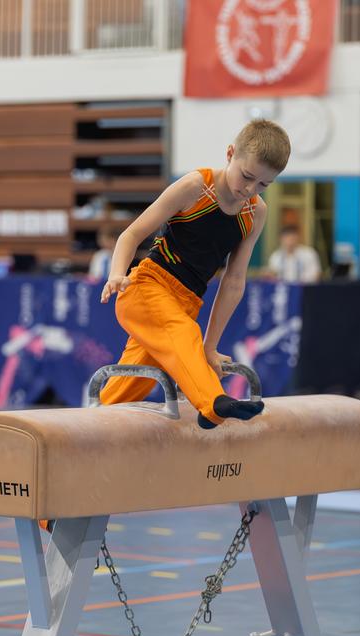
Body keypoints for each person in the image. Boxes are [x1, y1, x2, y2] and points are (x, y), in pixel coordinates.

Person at [99, 119, 291, 429]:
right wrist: (116, 274)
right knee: (184, 334)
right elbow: (131, 234)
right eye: (247, 177)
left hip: (186, 304)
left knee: (131, 385)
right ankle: (213, 405)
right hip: (146, 287)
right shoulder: (195, 186)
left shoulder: (255, 212)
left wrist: (210, 347)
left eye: (263, 185)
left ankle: (93, 424)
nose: (250, 190)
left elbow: (233, 281)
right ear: (230, 154)